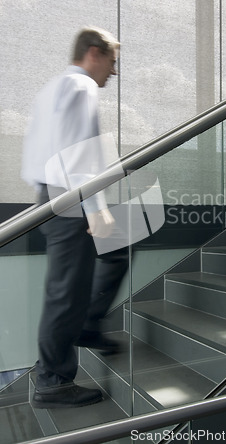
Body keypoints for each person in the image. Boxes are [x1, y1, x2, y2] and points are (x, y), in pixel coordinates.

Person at [21, 27, 127, 409]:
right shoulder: (82, 88)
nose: (114, 72)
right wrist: (95, 206)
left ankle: (87, 324)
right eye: (113, 62)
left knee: (117, 251)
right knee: (65, 293)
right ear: (94, 53)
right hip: (69, 197)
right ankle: (52, 382)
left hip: (51, 194)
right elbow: (80, 151)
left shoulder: (54, 87)